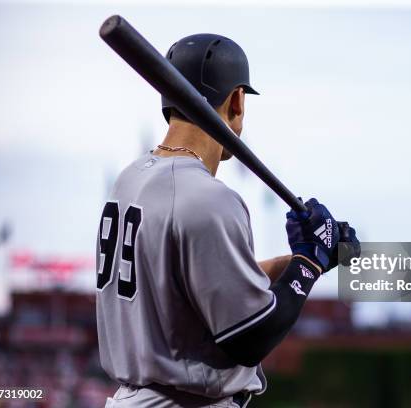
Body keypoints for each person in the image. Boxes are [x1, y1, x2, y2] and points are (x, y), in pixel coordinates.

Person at [96, 33, 360, 408]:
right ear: (237, 99)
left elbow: (196, 284)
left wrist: (304, 258)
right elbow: (251, 336)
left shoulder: (131, 178)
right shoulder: (209, 198)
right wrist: (310, 263)